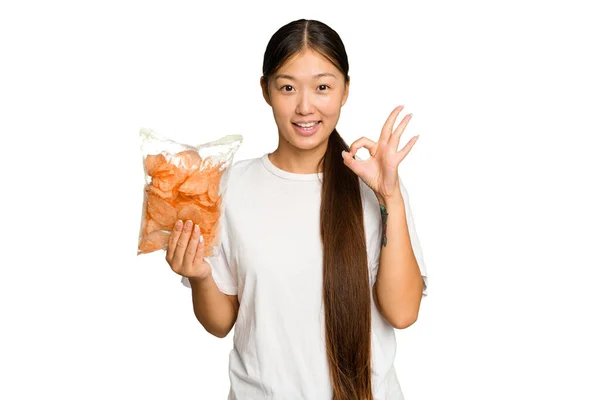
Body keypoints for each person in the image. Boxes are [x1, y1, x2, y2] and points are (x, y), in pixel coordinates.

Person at [165, 18, 428, 400]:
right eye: (288, 87)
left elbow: (403, 313)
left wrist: (391, 198)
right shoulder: (228, 186)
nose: (306, 107)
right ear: (266, 90)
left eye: (322, 87)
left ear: (345, 90)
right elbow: (221, 322)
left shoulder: (372, 186)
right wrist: (201, 276)